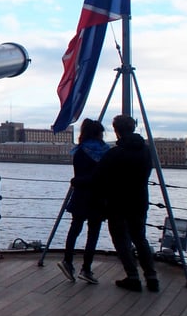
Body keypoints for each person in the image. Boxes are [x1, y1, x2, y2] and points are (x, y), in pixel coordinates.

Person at [96, 114, 158, 292]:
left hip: (118, 203)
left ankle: (132, 276)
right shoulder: (145, 151)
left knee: (121, 239)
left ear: (116, 131)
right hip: (140, 200)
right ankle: (151, 277)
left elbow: (100, 177)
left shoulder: (115, 153)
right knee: (140, 238)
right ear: (133, 127)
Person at [57, 118, 110, 284]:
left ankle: (68, 261)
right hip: (99, 196)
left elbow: (78, 173)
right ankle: (86, 269)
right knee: (93, 233)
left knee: (75, 228)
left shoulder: (80, 151)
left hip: (81, 194)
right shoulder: (106, 152)